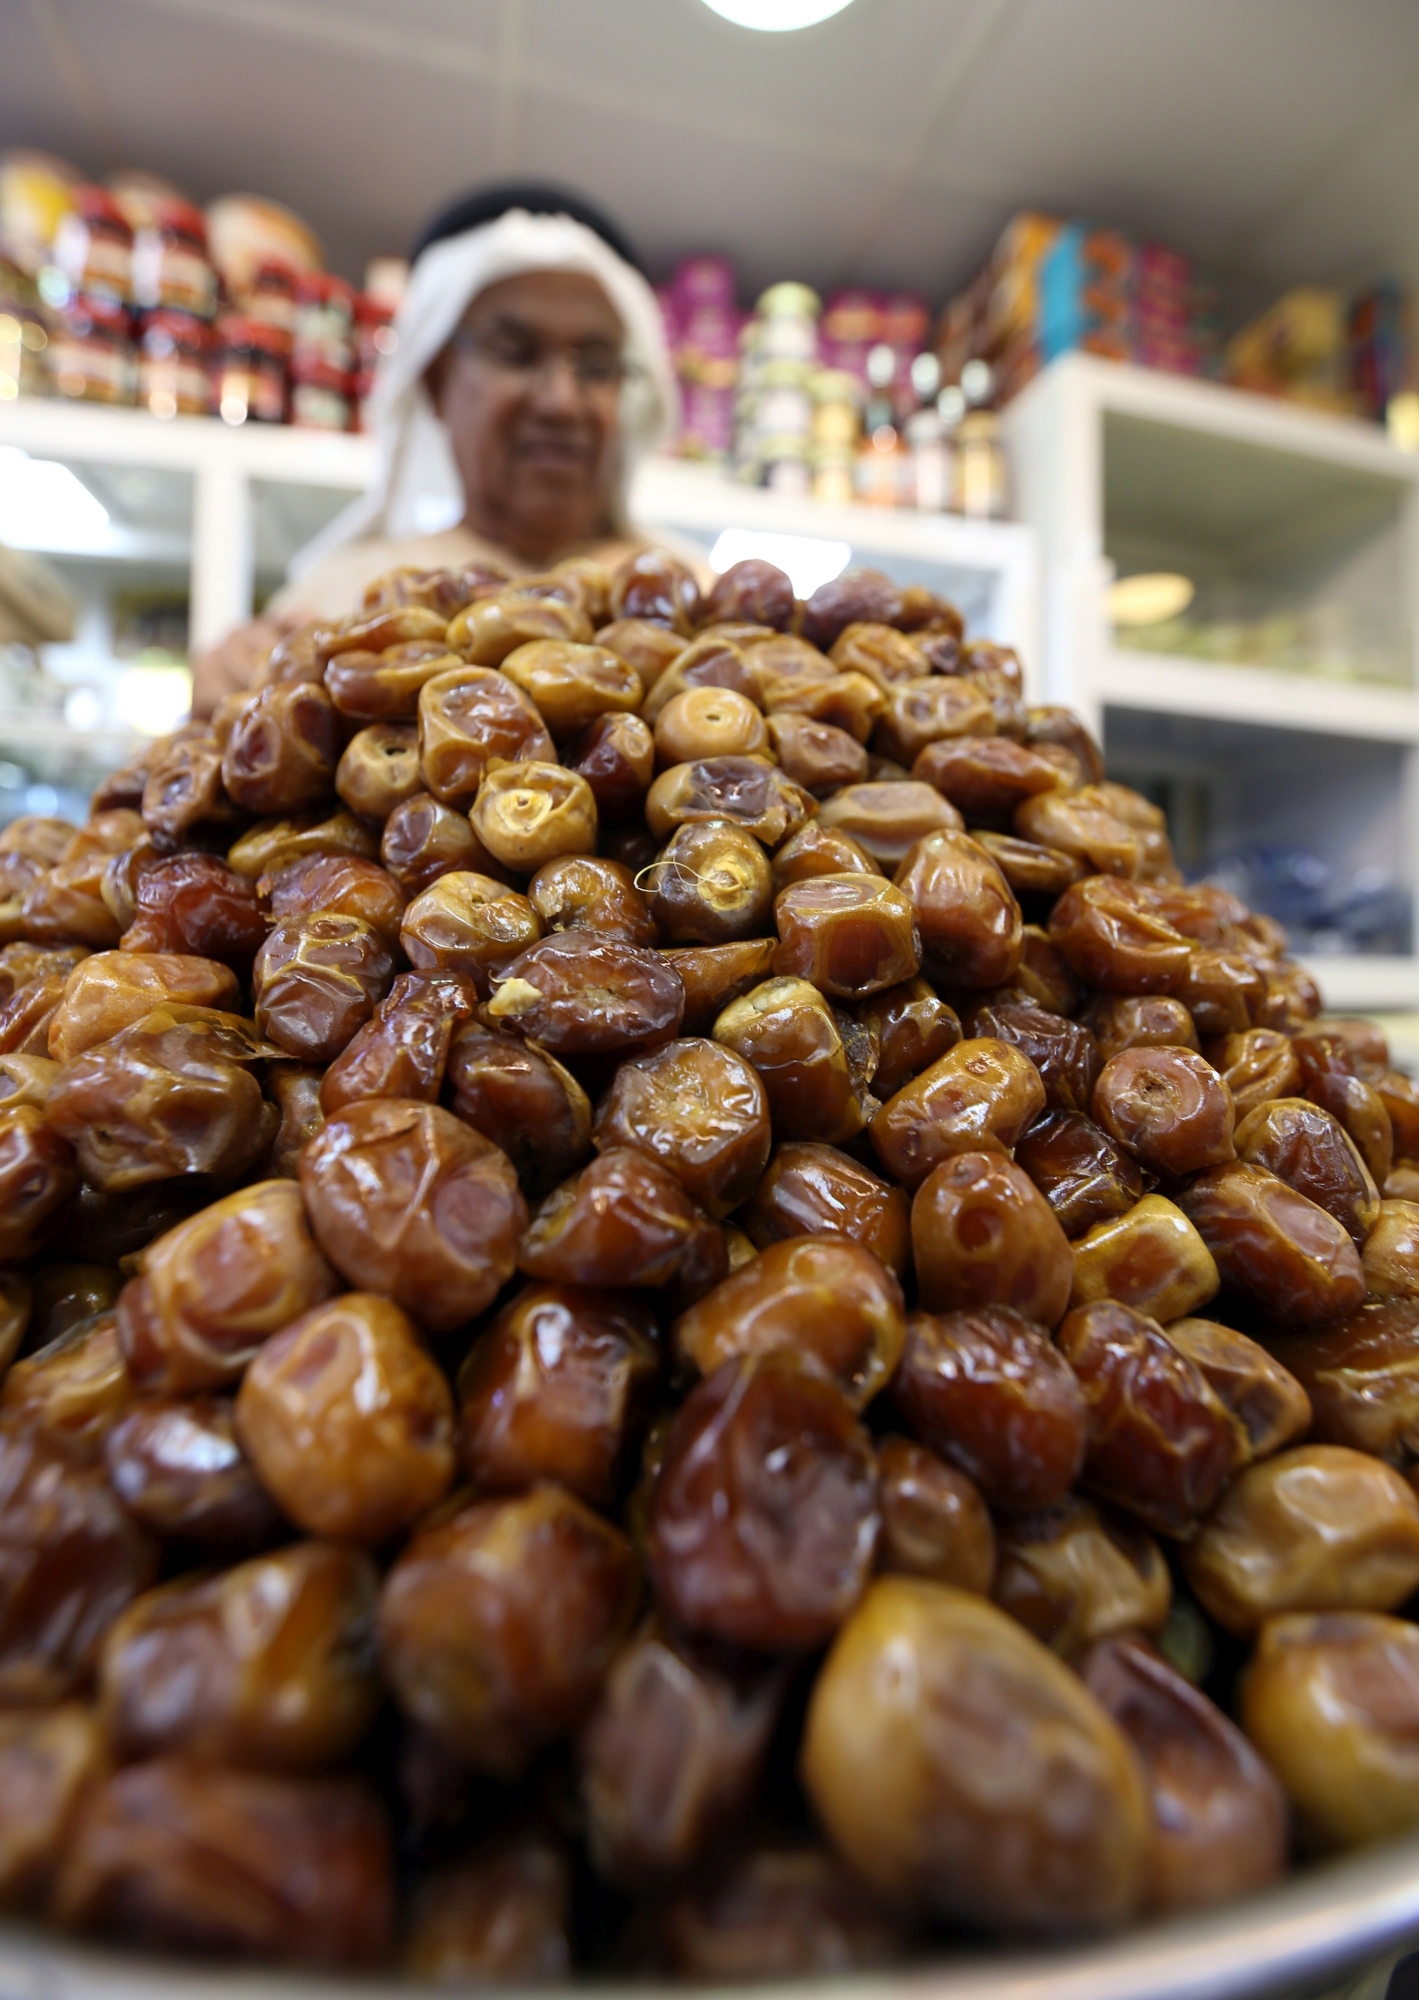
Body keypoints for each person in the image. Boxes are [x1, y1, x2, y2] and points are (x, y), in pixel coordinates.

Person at [191, 182, 683, 714]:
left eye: (595, 365)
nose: (562, 401)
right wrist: (225, 689)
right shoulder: (340, 603)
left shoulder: (696, 600)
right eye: (515, 353)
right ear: (436, 381)